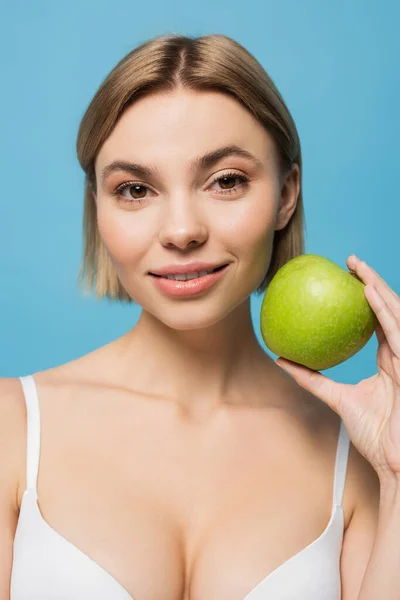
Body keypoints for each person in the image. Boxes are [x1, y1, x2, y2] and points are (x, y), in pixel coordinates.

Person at [1, 33, 380, 600]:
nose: (181, 231)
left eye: (226, 181)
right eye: (135, 189)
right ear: (98, 208)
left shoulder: (364, 459)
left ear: (285, 195)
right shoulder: (11, 428)